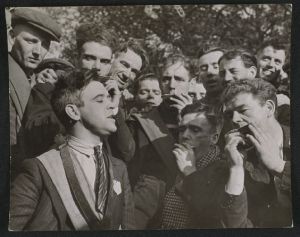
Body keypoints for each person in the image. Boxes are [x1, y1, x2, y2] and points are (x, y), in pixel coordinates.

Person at [9, 69, 135, 231]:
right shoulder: (39, 169)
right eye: (100, 100)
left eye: (110, 98)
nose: (112, 105)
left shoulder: (119, 169)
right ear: (73, 112)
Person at [127, 54, 193, 229]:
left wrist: (186, 120)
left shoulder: (204, 118)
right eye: (166, 78)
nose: (171, 85)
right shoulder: (142, 118)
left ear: (191, 82)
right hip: (147, 193)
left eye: (178, 79)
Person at [221, 79, 292, 227]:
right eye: (229, 115)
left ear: (269, 108)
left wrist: (280, 167)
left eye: (243, 110)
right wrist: (236, 169)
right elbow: (235, 226)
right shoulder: (234, 157)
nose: (234, 120)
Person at [8, 7, 61, 177]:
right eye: (31, 41)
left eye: (44, 44)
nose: (38, 52)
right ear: (10, 38)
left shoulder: (31, 77)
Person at [161, 103, 227, 229]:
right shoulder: (175, 164)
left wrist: (190, 172)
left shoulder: (224, 171)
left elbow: (215, 219)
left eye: (195, 130)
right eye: (182, 129)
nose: (185, 136)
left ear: (214, 138)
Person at [219, 49, 290, 126]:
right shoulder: (219, 106)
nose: (226, 78)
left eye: (233, 71)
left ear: (252, 72)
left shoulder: (279, 103)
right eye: (222, 73)